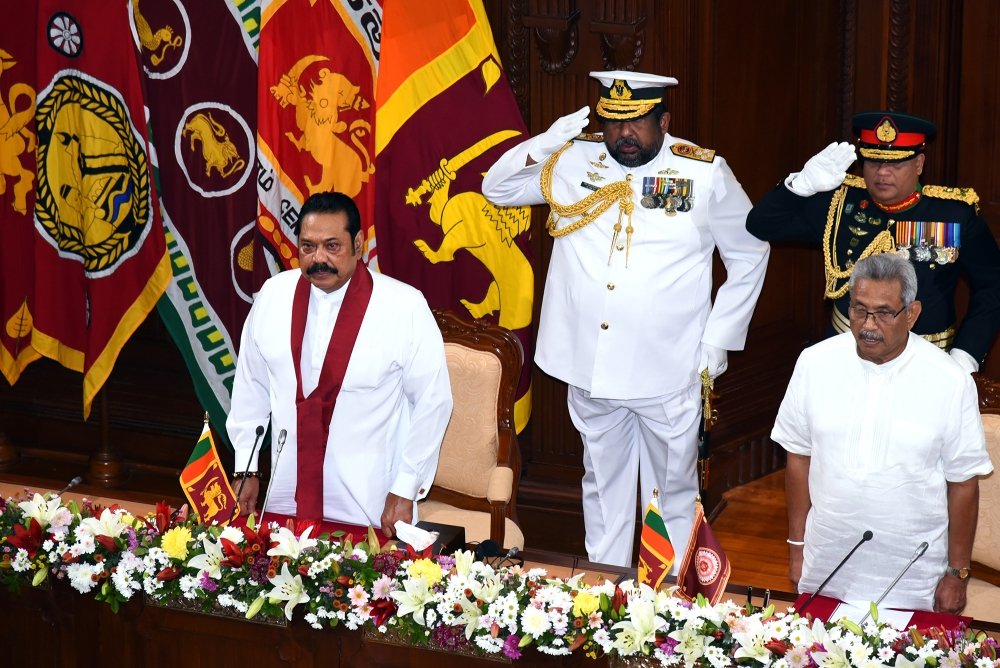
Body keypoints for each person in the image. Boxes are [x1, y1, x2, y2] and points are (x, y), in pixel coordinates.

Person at [481, 70, 770, 568]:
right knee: (601, 483)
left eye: (636, 124)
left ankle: (673, 603)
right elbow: (497, 189)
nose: (624, 137)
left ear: (663, 119)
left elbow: (750, 252)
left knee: (671, 493)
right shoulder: (573, 159)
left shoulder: (702, 172)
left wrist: (719, 339)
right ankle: (606, 590)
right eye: (614, 125)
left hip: (667, 365)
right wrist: (541, 145)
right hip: (590, 366)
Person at [773, 253, 991, 613]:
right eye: (859, 309)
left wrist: (957, 572)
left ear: (912, 314)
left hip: (913, 574)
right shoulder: (815, 363)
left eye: (884, 313)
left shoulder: (949, 381)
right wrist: (796, 547)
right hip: (826, 563)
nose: (868, 325)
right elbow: (798, 456)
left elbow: (964, 483)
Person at [226, 191, 453, 537]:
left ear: (358, 243)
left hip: (369, 507)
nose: (319, 259)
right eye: (308, 247)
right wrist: (247, 467)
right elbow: (250, 388)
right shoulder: (273, 296)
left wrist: (405, 487)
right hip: (283, 503)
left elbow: (433, 402)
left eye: (332, 246)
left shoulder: (403, 306)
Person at [746, 111, 1000, 372]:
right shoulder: (841, 203)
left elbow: (993, 285)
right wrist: (800, 185)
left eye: (895, 164)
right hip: (847, 354)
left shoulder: (953, 214)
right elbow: (760, 225)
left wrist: (965, 354)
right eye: (873, 162)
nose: (882, 173)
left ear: (919, 164)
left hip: (925, 361)